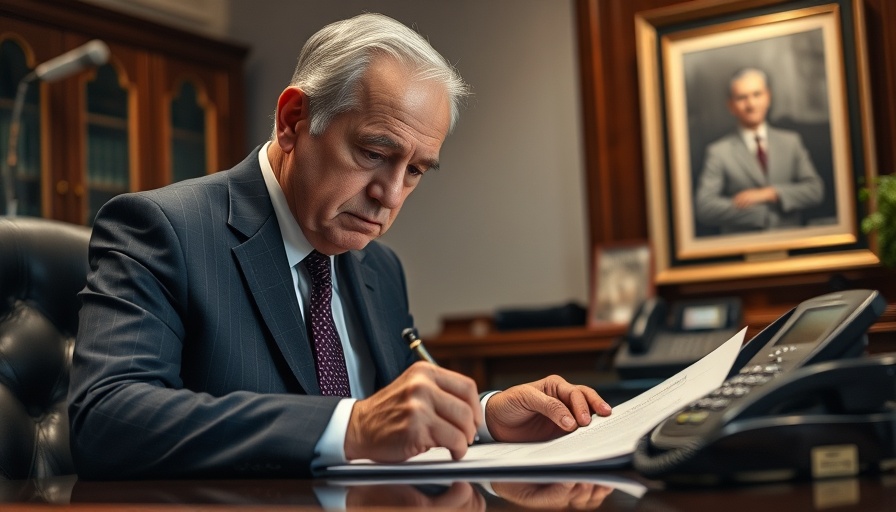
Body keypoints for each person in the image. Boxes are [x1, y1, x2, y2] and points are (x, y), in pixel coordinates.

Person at [67, 13, 612, 480]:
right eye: (375, 153)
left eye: (416, 170)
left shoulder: (379, 268)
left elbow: (403, 411)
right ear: (292, 121)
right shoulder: (162, 228)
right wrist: (350, 425)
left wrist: (487, 415)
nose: (390, 195)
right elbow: (106, 418)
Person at [694, 67, 824, 234]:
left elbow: (815, 190)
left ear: (768, 97)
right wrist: (760, 214)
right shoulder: (718, 151)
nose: (751, 104)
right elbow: (705, 207)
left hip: (792, 241)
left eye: (757, 94)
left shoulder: (791, 142)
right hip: (743, 247)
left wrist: (769, 194)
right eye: (742, 98)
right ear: (731, 106)